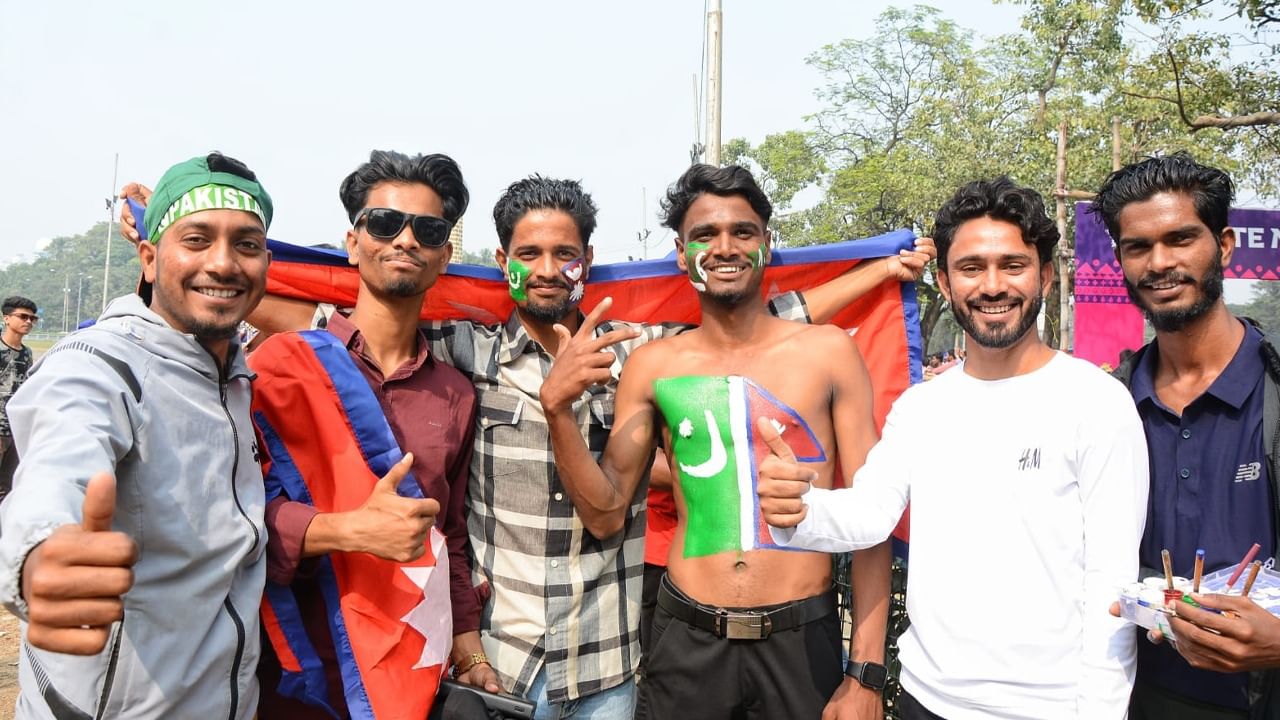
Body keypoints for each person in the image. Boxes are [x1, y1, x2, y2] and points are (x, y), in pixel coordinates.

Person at [119, 173, 931, 720]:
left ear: (587, 264)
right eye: (529, 255)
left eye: (566, 254)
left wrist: (878, 270)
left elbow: (769, 319)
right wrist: (173, 258)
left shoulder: (638, 350)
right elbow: (335, 326)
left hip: (612, 659)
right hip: (496, 660)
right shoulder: (464, 354)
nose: (548, 269)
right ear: (500, 263)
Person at [759, 177, 1149, 719]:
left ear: (1046, 274)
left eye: (1012, 265)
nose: (992, 286)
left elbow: (1112, 581)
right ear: (944, 281)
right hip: (925, 699)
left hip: (1052, 708)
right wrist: (798, 509)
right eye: (971, 268)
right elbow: (872, 515)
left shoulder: (1097, 403)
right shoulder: (921, 407)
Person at [541, 163, 890, 720]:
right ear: (682, 254)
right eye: (705, 235)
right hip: (687, 641)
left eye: (742, 232)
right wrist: (557, 410)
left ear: (767, 245)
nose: (724, 247)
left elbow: (874, 517)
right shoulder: (654, 365)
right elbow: (606, 514)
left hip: (802, 640)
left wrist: (866, 675)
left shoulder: (827, 352)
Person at [0, 152, 272, 719]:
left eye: (246, 245)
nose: (223, 264)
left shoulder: (238, 378)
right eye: (196, 240)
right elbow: (60, 457)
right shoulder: (102, 361)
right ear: (149, 260)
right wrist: (42, 555)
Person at [249, 150, 491, 719]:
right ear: (354, 242)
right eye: (384, 223)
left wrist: (468, 648)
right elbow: (233, 514)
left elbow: (448, 537)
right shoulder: (279, 367)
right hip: (300, 662)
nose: (405, 240)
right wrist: (344, 531)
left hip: (409, 666)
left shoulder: (454, 393)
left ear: (444, 255)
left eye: (427, 230)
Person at [1101, 153, 1280, 717]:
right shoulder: (1109, 404)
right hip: (1136, 697)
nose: (1160, 263)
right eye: (1138, 247)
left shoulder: (1272, 392)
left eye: (1181, 239)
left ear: (1223, 245)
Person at [0, 296, 36, 494]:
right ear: (7, 318)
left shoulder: (27, 353)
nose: (28, 322)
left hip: (15, 429)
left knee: (7, 486)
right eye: (23, 316)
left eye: (32, 318)